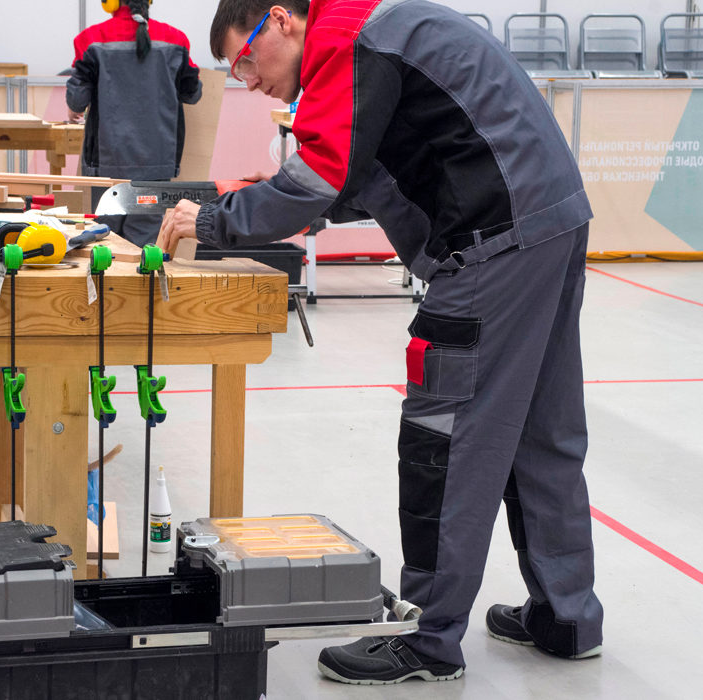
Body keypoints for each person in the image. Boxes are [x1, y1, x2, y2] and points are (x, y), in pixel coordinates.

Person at [158, 0, 604, 686]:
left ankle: (427, 636)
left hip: (494, 242)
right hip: (549, 221)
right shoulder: (377, 26)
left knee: (446, 439)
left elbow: (317, 178)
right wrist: (246, 196)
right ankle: (567, 617)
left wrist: (217, 221)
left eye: (243, 59)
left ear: (279, 21)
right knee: (541, 433)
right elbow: (364, 177)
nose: (247, 81)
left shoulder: (347, 40)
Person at [66, 0, 203, 181]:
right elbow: (193, 94)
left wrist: (73, 107)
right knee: (155, 209)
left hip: (106, 167)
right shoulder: (176, 40)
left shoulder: (91, 40)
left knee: (104, 210)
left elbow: (77, 101)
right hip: (160, 165)